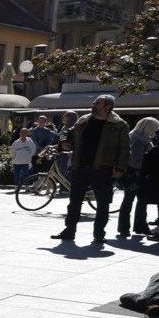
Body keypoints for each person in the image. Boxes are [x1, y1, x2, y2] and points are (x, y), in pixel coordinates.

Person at [54, 94, 128, 246]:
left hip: (103, 169)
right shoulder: (84, 119)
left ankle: (99, 234)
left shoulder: (119, 124)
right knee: (74, 202)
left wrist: (120, 167)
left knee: (103, 203)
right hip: (79, 167)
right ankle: (69, 230)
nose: (94, 105)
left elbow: (125, 149)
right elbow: (69, 133)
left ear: (108, 106)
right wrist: (63, 142)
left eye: (98, 103)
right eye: (94, 102)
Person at [117, 116, 159, 239]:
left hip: (132, 174)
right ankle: (138, 226)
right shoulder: (140, 141)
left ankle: (125, 228)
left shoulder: (133, 137)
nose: (155, 131)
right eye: (154, 128)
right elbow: (136, 160)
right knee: (139, 201)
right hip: (137, 174)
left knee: (129, 200)